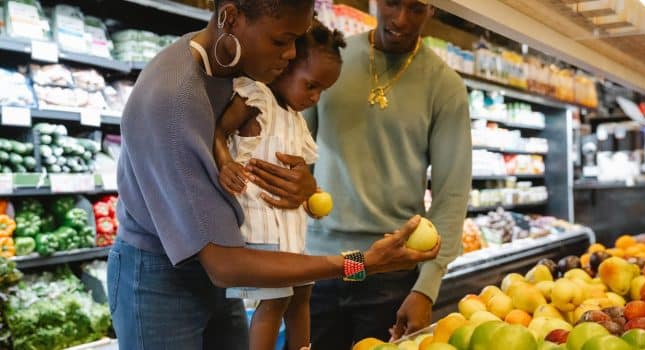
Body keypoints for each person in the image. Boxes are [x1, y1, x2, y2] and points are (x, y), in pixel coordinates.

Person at [108, 0, 440, 349]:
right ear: (231, 18)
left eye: (298, 40)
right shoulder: (172, 103)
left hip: (224, 272)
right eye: (282, 41)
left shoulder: (241, 63)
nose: (292, 54)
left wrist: (305, 187)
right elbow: (226, 265)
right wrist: (363, 263)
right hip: (161, 280)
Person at [303, 0, 472, 347]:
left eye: (415, 8)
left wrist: (426, 288)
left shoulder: (445, 86)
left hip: (389, 272)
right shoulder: (333, 60)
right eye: (392, 3)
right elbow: (297, 157)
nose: (400, 19)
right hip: (321, 264)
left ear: (433, 11)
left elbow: (451, 194)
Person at [212, 20, 346, 350]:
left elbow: (300, 176)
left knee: (302, 292)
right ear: (285, 65)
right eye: (311, 86)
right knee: (274, 300)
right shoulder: (257, 99)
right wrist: (226, 163)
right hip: (260, 229)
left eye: (322, 92)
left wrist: (312, 194)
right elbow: (216, 131)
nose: (315, 98)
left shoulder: (297, 121)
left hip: (292, 232)